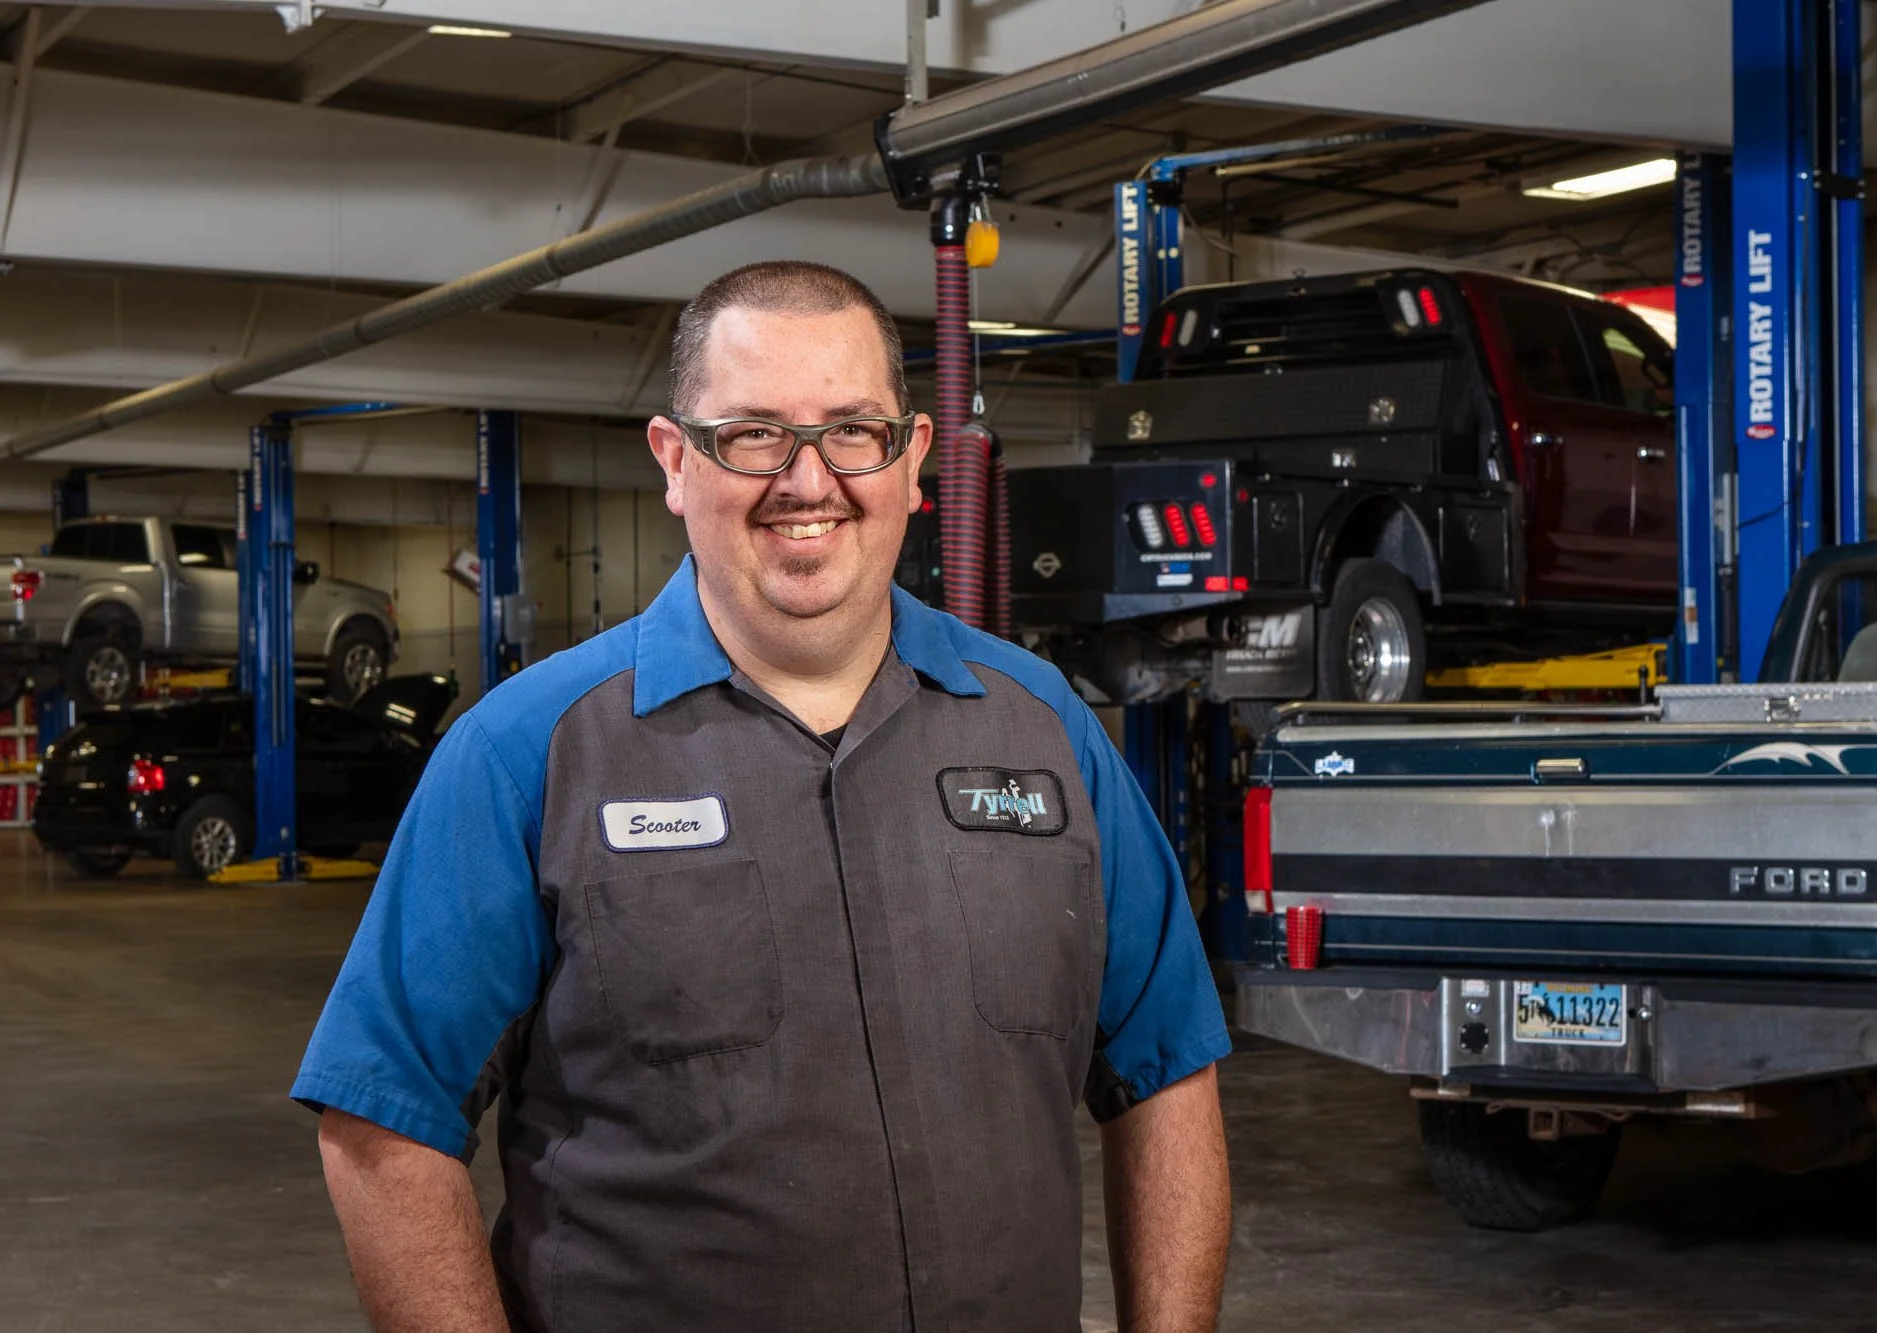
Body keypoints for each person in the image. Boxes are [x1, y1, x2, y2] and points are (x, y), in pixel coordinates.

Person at [292, 260, 1232, 1332]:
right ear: (674, 461)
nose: (807, 479)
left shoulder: (1044, 727)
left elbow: (1164, 1072)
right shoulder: (528, 754)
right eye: (751, 435)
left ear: (912, 458)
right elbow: (382, 1126)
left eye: (852, 431)